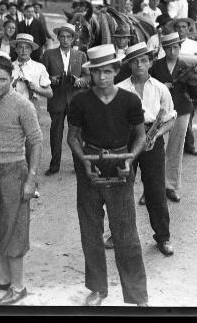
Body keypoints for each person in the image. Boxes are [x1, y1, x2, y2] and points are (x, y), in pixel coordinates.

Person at [66, 43, 148, 307]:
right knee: (90, 232)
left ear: (115, 70)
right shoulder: (79, 101)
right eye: (97, 72)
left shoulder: (130, 100)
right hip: (90, 165)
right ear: (90, 73)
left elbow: (140, 136)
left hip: (120, 165)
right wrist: (85, 163)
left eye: (107, 72)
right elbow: (72, 137)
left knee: (126, 234)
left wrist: (129, 159)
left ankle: (137, 295)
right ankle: (98, 289)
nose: (101, 78)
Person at [0, 54, 42, 304]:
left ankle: (18, 285)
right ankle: (3, 278)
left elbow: (35, 142)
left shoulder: (23, 105)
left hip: (14, 171)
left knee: (14, 229)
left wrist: (31, 179)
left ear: (12, 79)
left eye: (3, 79)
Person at [117, 43, 177, 256]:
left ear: (151, 62)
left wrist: (156, 135)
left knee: (155, 190)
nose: (139, 64)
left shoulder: (160, 88)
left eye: (144, 60)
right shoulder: (121, 88)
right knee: (121, 188)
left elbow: (170, 118)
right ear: (129, 64)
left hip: (153, 140)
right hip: (128, 140)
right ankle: (118, 235)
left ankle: (163, 237)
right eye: (134, 61)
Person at [150, 32, 197, 203]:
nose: (172, 51)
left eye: (175, 47)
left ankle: (171, 186)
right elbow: (148, 87)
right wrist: (161, 87)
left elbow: (195, 94)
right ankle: (151, 188)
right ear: (164, 49)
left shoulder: (186, 65)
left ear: (179, 48)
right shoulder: (155, 66)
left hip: (182, 110)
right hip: (161, 112)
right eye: (168, 48)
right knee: (156, 149)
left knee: (176, 149)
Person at [41, 23, 89, 176]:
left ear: (74, 39)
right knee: (56, 133)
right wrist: (51, 79)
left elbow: (88, 77)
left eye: (69, 37)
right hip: (57, 98)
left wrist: (79, 81)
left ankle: (79, 165)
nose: (65, 39)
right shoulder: (48, 54)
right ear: (58, 38)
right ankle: (54, 165)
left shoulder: (80, 55)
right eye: (62, 36)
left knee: (77, 134)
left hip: (76, 99)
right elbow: (41, 76)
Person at [167, 17, 197, 156]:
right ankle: (173, 146)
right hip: (173, 82)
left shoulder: (194, 45)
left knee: (188, 113)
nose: (181, 30)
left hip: (189, 83)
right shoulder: (170, 43)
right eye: (178, 27)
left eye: (184, 27)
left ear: (188, 29)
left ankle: (189, 145)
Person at [10, 33, 53, 111]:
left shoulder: (39, 67)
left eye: (27, 47)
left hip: (33, 106)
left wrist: (36, 88)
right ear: (15, 49)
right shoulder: (9, 67)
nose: (24, 51)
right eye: (20, 47)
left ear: (31, 49)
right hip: (12, 106)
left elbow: (50, 93)